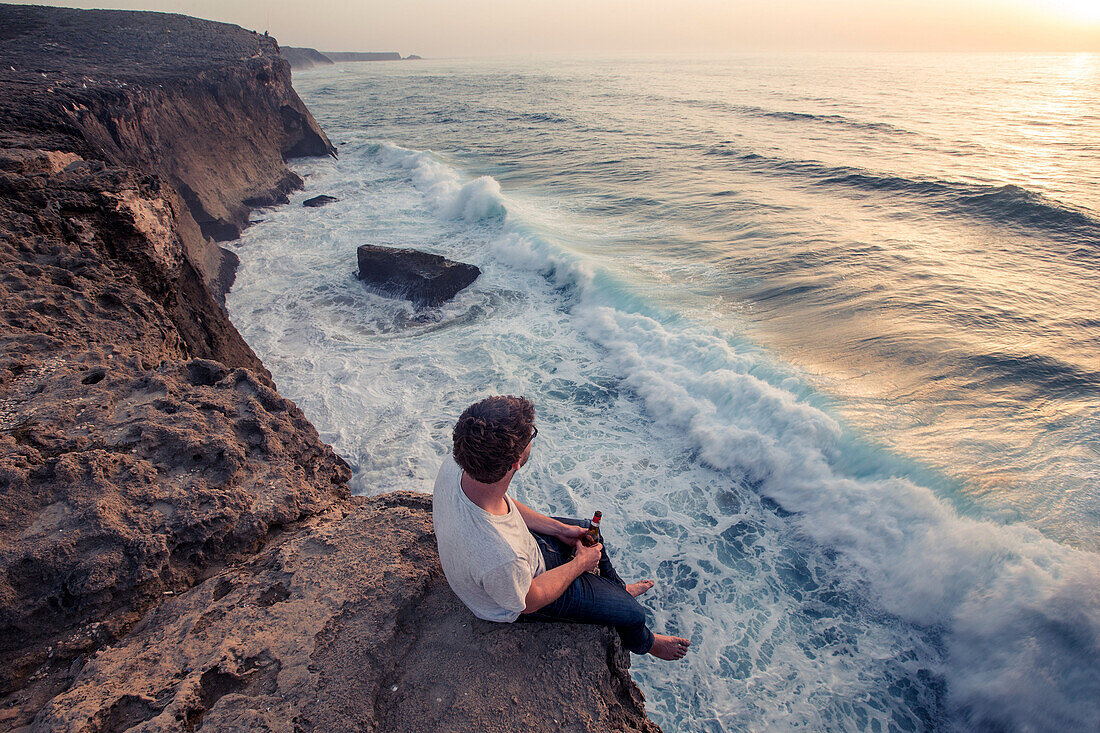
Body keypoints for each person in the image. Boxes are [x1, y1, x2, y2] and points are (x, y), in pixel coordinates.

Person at [432, 395, 690, 661]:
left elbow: (501, 502)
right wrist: (579, 563)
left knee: (583, 529)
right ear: (514, 463)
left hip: (520, 560)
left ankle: (617, 590)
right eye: (531, 435)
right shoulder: (500, 554)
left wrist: (557, 529)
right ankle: (648, 643)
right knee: (634, 614)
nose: (533, 438)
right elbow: (530, 600)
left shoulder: (461, 465)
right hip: (518, 597)